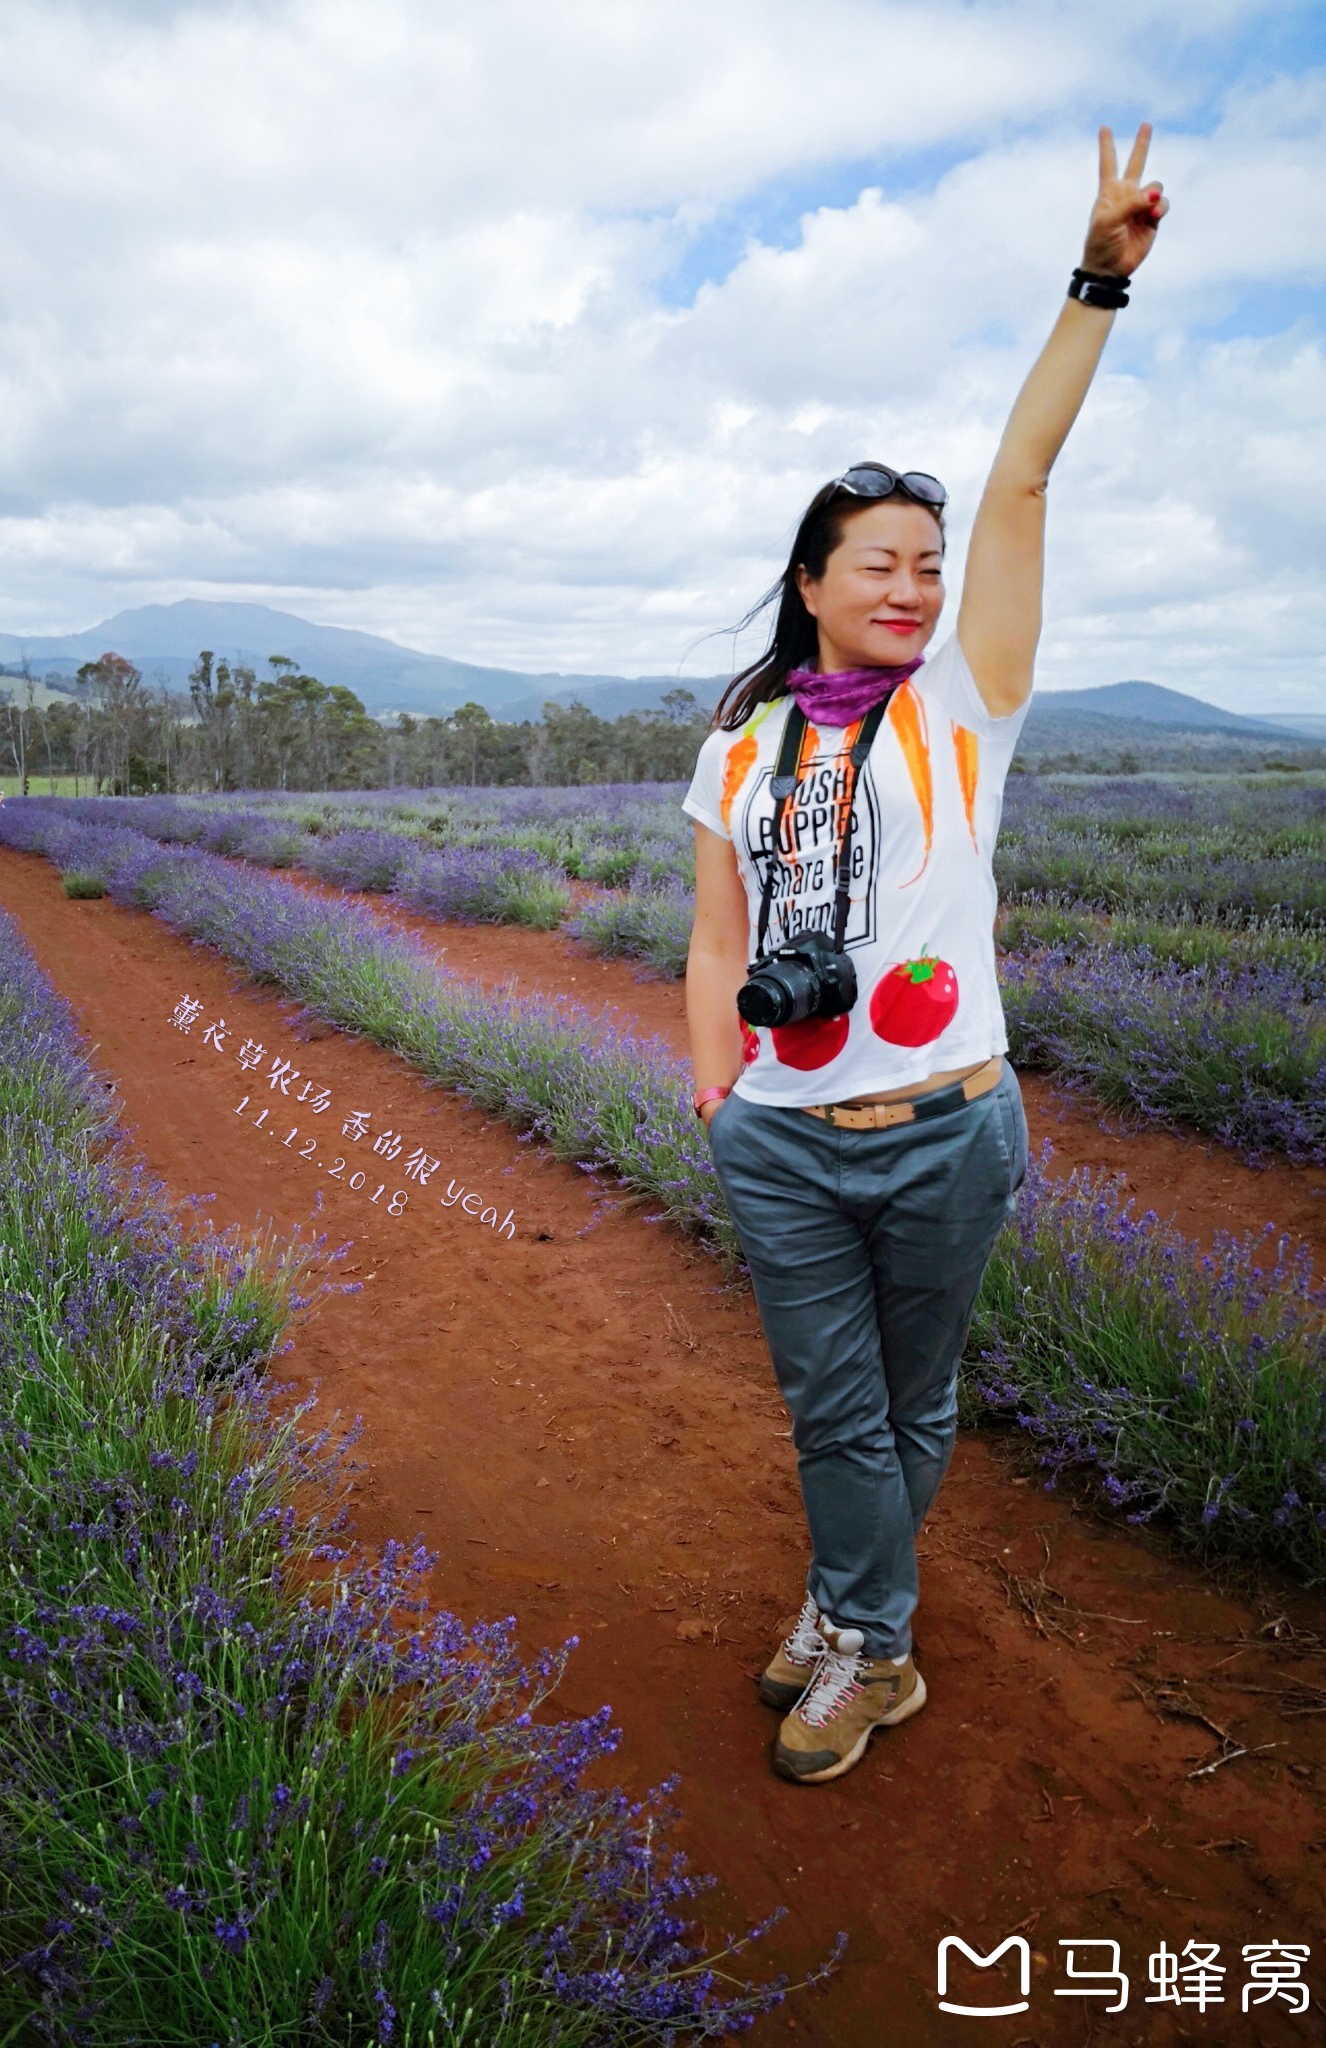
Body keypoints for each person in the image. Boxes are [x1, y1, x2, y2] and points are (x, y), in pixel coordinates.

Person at [683, 126, 1167, 1786]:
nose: (913, 584)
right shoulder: (742, 743)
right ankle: (874, 1641)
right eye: (878, 563)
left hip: (951, 1121)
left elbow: (1023, 476)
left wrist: (1097, 277)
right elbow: (713, 932)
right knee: (839, 1410)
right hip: (788, 1139)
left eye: (927, 566)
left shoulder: (964, 710)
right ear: (812, 583)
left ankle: (851, 1625)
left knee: (909, 1401)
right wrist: (715, 1097)